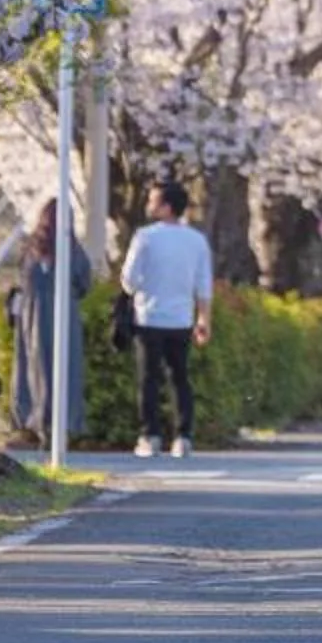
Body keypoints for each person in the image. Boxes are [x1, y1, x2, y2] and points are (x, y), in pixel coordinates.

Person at [120, 179, 213, 458]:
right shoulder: (196, 240)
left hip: (149, 316)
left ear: (167, 207)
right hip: (182, 318)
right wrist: (203, 319)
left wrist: (136, 288)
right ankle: (183, 437)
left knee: (149, 379)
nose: (149, 205)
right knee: (180, 378)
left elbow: (128, 279)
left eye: (153, 201)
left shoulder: (145, 237)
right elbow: (203, 283)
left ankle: (150, 436)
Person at [7, 198, 90, 447]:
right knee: (62, 368)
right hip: (63, 315)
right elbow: (83, 283)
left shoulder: (30, 249)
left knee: (34, 367)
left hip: (32, 316)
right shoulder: (73, 251)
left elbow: (21, 280)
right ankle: (57, 426)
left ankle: (35, 423)